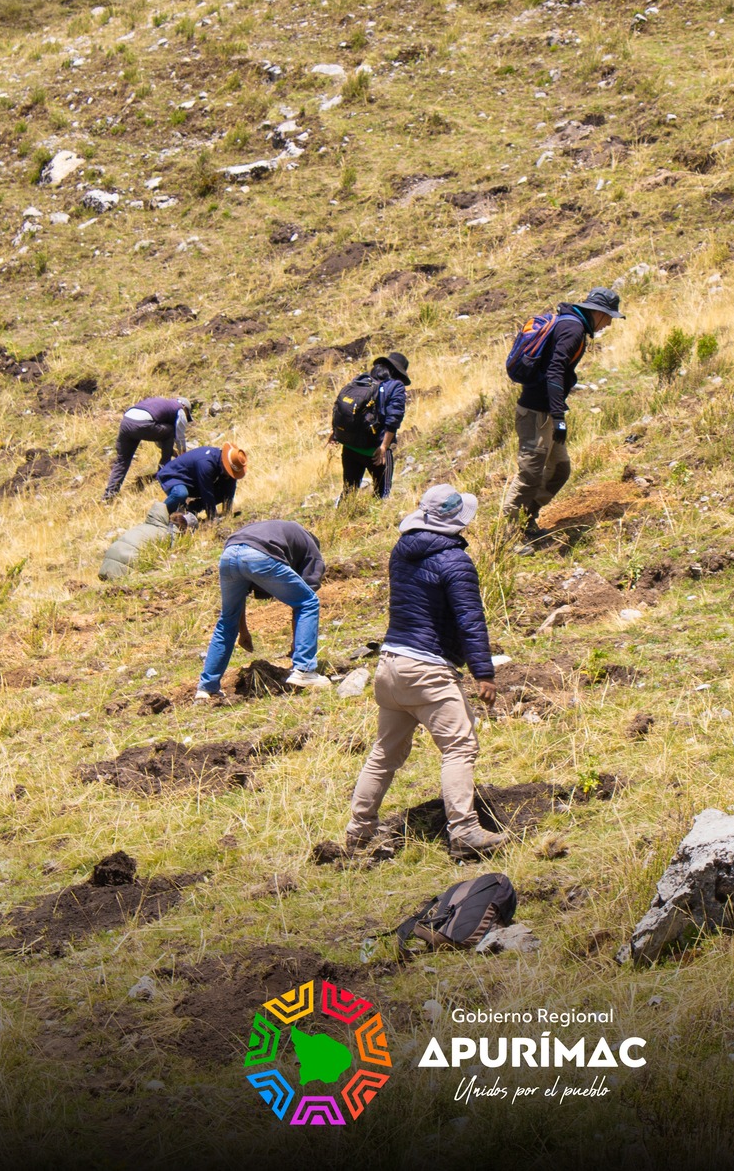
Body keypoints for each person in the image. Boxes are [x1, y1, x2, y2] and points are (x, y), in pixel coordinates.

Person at [344, 485, 509, 861]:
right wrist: (483, 672)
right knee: (460, 746)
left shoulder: (402, 551)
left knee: (384, 753)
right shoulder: (456, 562)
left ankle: (357, 835)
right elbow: (470, 621)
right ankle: (465, 832)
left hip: (389, 665)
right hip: (427, 669)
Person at [502, 288, 623, 537]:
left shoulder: (572, 325)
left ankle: (527, 519)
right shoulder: (573, 329)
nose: (609, 322)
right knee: (530, 472)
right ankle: (508, 534)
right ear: (597, 312)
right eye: (609, 316)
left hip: (545, 410)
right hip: (536, 413)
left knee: (559, 469)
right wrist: (559, 417)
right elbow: (555, 371)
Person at [196, 518, 333, 698]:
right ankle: (305, 670)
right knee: (309, 602)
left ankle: (207, 687)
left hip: (229, 554)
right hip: (259, 554)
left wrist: (243, 632)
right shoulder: (311, 550)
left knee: (226, 620)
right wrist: (298, 646)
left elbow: (240, 599)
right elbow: (302, 603)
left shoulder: (280, 532)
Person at [333, 352, 410, 501]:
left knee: (349, 492)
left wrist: (335, 432)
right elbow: (393, 420)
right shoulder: (396, 386)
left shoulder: (361, 379)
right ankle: (375, 522)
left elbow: (343, 409)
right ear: (398, 372)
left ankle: (342, 518)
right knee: (382, 494)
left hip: (350, 445)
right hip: (374, 450)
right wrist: (383, 447)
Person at [104, 396, 192, 500]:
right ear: (185, 407)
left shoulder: (160, 403)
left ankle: (109, 495)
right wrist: (183, 454)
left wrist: (170, 451)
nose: (186, 417)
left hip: (126, 422)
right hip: (142, 424)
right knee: (170, 431)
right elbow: (179, 436)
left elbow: (158, 437)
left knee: (122, 461)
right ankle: (164, 473)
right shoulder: (180, 409)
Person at [156, 443, 245, 523]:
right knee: (181, 494)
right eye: (229, 471)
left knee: (222, 491)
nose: (229, 474)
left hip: (192, 480)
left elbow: (229, 490)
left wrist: (227, 512)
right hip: (173, 475)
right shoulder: (206, 464)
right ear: (224, 463)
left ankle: (191, 509)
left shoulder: (228, 465)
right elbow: (206, 491)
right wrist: (212, 516)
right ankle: (158, 516)